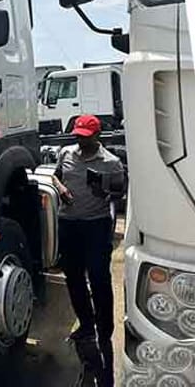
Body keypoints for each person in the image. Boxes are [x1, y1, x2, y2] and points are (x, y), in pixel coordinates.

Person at [53, 114, 127, 386]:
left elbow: (120, 193)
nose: (80, 140)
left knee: (98, 277)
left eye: (85, 136)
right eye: (78, 135)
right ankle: (86, 324)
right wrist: (61, 190)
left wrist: (105, 191)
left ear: (97, 137)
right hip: (69, 223)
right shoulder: (66, 153)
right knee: (73, 277)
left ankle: (104, 329)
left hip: (96, 225)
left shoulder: (111, 162)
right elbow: (56, 176)